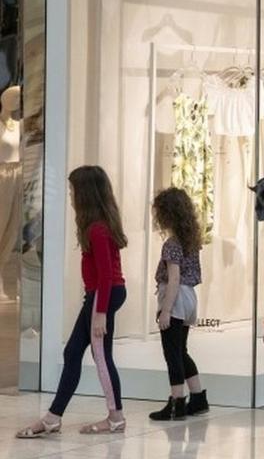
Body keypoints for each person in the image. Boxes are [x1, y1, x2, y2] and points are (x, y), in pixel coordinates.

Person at [17, 166, 128, 438]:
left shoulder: (98, 229)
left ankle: (114, 418)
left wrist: (99, 312)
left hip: (104, 296)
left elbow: (105, 276)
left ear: (85, 193)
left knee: (99, 356)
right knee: (75, 353)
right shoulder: (98, 224)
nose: (70, 195)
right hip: (102, 295)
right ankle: (54, 418)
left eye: (72, 190)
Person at [148, 188, 209, 420]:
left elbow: (173, 279)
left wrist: (165, 310)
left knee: (171, 353)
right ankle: (198, 397)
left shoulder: (172, 244)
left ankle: (176, 402)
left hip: (175, 298)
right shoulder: (191, 240)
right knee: (181, 351)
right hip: (189, 297)